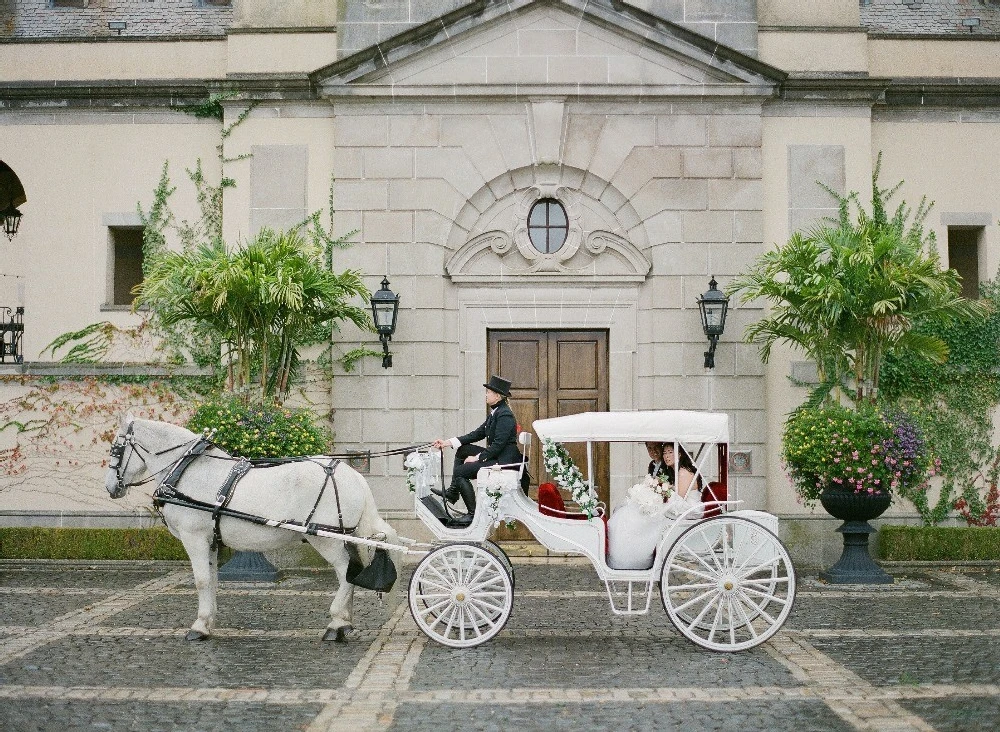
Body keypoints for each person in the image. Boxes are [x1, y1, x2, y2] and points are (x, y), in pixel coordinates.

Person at [431, 375, 525, 514]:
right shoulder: (496, 412)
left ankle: (472, 513)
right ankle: (453, 492)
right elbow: (476, 434)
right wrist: (447, 442)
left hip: (503, 461)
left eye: (488, 392)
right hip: (497, 456)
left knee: (460, 472)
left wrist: (477, 458)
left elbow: (498, 445)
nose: (486, 394)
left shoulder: (504, 415)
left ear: (497, 396)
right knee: (463, 450)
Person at [607, 441, 704, 570]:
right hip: (675, 505)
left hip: (684, 509)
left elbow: (678, 500)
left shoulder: (683, 473)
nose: (666, 456)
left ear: (680, 454)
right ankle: (629, 552)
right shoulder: (674, 471)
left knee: (638, 517)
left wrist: (661, 491)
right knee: (630, 512)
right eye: (665, 453)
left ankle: (635, 555)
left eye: (670, 452)